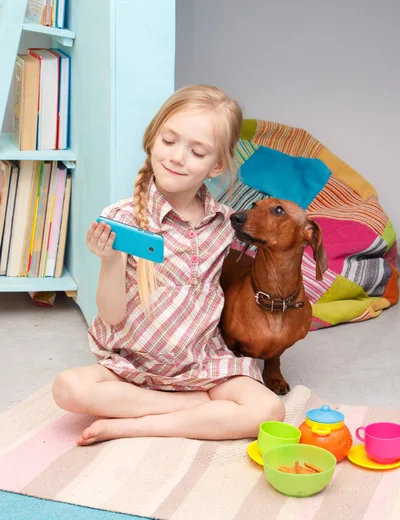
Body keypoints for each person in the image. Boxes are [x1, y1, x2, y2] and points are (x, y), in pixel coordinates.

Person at [52, 85, 285, 445]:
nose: (177, 158)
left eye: (197, 151)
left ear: (217, 165)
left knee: (269, 411)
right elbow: (112, 316)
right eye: (169, 141)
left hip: (201, 366)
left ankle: (134, 424)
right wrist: (110, 260)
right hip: (133, 369)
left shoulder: (224, 224)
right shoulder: (122, 218)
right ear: (153, 138)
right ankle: (187, 409)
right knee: (68, 388)